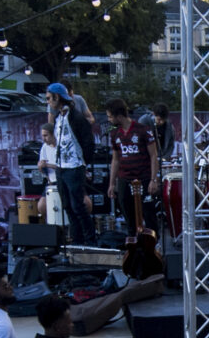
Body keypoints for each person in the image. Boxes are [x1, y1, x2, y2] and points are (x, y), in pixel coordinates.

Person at [42, 83, 96, 235]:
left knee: (78, 205)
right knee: (67, 205)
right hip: (61, 167)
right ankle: (77, 239)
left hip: (74, 167)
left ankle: (89, 239)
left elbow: (88, 142)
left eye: (49, 98)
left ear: (57, 97)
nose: (48, 102)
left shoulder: (76, 117)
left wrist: (82, 162)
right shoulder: (59, 117)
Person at [107, 98, 152, 236]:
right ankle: (133, 241)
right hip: (124, 178)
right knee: (127, 210)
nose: (108, 120)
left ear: (118, 116)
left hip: (143, 176)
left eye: (110, 116)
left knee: (148, 212)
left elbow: (153, 156)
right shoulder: (115, 133)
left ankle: (153, 242)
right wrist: (111, 183)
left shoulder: (142, 130)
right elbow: (115, 160)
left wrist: (153, 179)